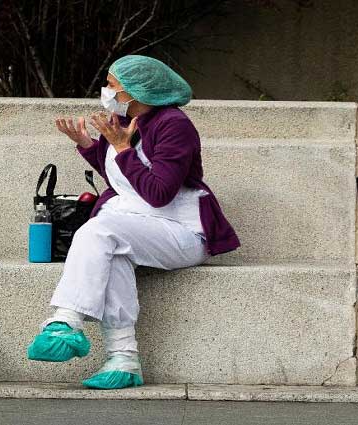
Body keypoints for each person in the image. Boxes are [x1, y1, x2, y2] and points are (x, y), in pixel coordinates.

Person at [27, 55, 240, 389]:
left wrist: (122, 147)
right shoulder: (123, 120)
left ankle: (66, 320)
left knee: (100, 230)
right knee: (112, 253)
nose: (106, 91)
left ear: (138, 91)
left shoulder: (174, 126)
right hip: (136, 226)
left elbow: (158, 193)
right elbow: (123, 180)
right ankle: (123, 360)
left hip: (183, 233)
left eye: (112, 85)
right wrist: (89, 145)